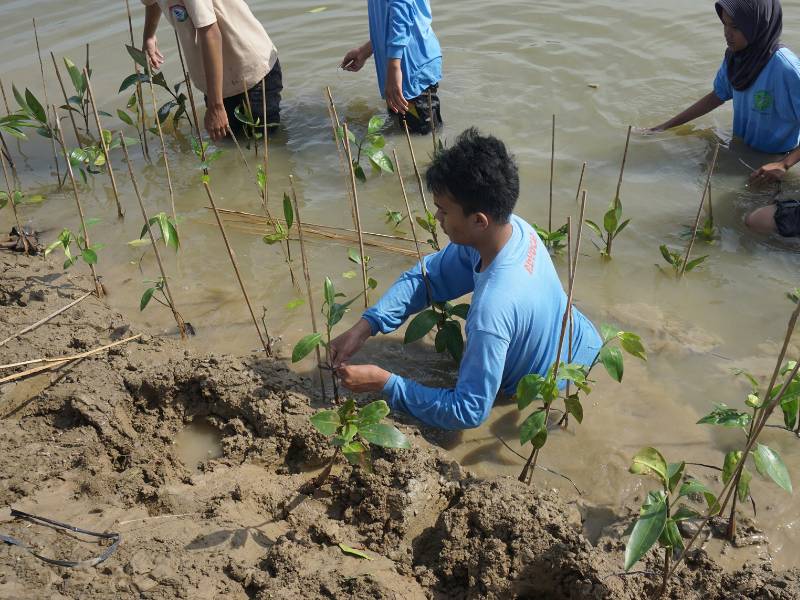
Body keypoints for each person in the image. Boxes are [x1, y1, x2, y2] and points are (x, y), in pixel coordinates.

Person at [329, 129, 602, 431]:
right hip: (586, 344)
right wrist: (366, 326)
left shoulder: (491, 311)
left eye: (444, 210)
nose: (437, 218)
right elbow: (428, 277)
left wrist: (387, 383)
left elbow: (468, 411)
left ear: (478, 221)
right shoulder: (513, 230)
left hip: (554, 388)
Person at [648, 0, 800, 237]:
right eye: (725, 25)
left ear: (757, 26)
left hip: (775, 160)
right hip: (742, 148)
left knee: (752, 226)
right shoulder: (736, 57)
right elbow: (718, 95)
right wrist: (664, 127)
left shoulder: (786, 68)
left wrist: (784, 164)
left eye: (736, 27)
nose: (728, 34)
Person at [141, 0, 282, 142]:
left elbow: (210, 34)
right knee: (232, 150)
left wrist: (216, 106)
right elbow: (151, 2)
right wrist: (149, 35)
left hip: (250, 75)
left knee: (264, 148)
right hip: (218, 82)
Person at [341, 0, 443, 134]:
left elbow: (402, 12)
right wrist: (364, 51)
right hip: (399, 69)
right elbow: (389, 16)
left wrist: (394, 66)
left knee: (424, 141)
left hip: (412, 71)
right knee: (402, 135)